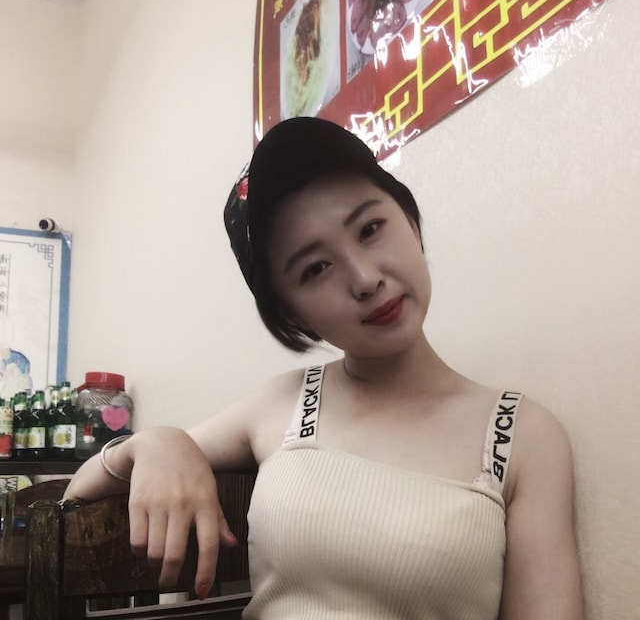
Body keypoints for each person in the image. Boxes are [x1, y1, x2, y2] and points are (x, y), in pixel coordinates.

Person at [64, 117, 583, 619]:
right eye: (316, 268)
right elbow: (75, 494)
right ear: (291, 311)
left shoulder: (520, 434)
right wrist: (155, 443)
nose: (365, 278)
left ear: (411, 220)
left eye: (370, 228)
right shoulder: (286, 405)